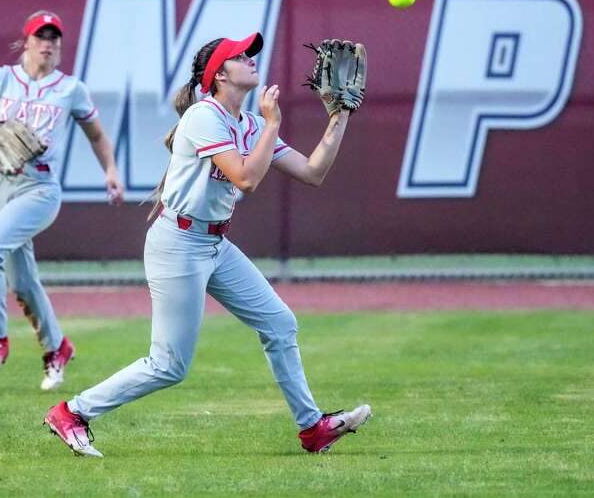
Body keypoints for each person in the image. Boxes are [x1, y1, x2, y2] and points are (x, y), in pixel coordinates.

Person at [44, 32, 370, 457]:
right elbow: (246, 179)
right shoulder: (205, 116)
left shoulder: (249, 123)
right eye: (241, 55)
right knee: (169, 365)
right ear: (219, 75)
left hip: (215, 245)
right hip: (177, 242)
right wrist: (273, 124)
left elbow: (312, 172)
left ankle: (313, 428)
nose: (252, 59)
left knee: (280, 323)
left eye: (252, 53)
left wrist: (339, 116)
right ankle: (72, 412)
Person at [0, 10, 124, 389]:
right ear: (25, 42)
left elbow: (95, 134)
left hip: (39, 189)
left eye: (54, 38)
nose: (47, 44)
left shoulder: (70, 88)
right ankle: (56, 348)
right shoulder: (0, 80)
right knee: (23, 281)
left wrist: (110, 170)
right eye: (40, 37)